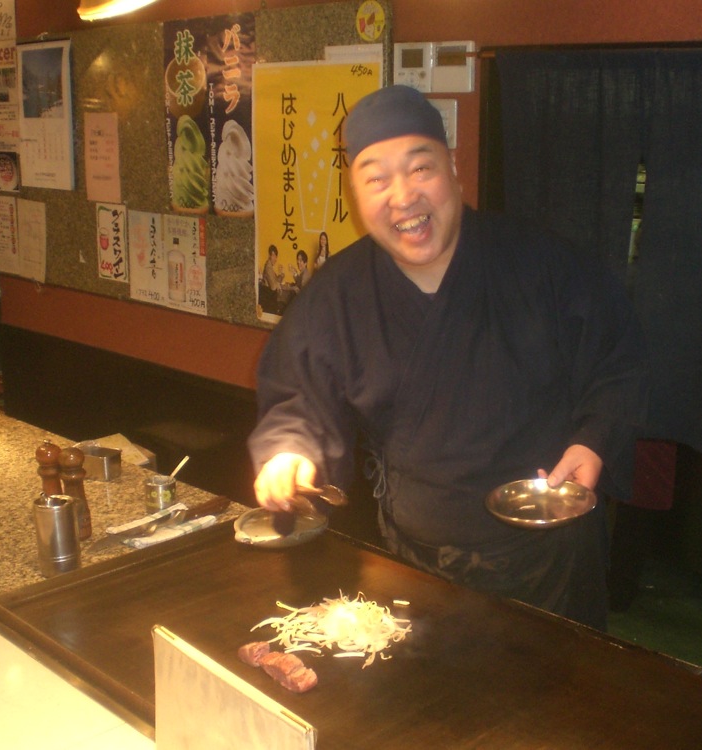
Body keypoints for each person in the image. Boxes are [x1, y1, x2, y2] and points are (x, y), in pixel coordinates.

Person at [247, 85, 647, 630]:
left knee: (555, 707)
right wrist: (288, 453)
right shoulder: (337, 294)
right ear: (356, 195)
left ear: (452, 167)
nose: (403, 196)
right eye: (376, 178)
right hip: (415, 567)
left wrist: (594, 439)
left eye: (420, 168)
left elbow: (617, 358)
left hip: (548, 564)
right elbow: (300, 398)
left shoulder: (544, 265)